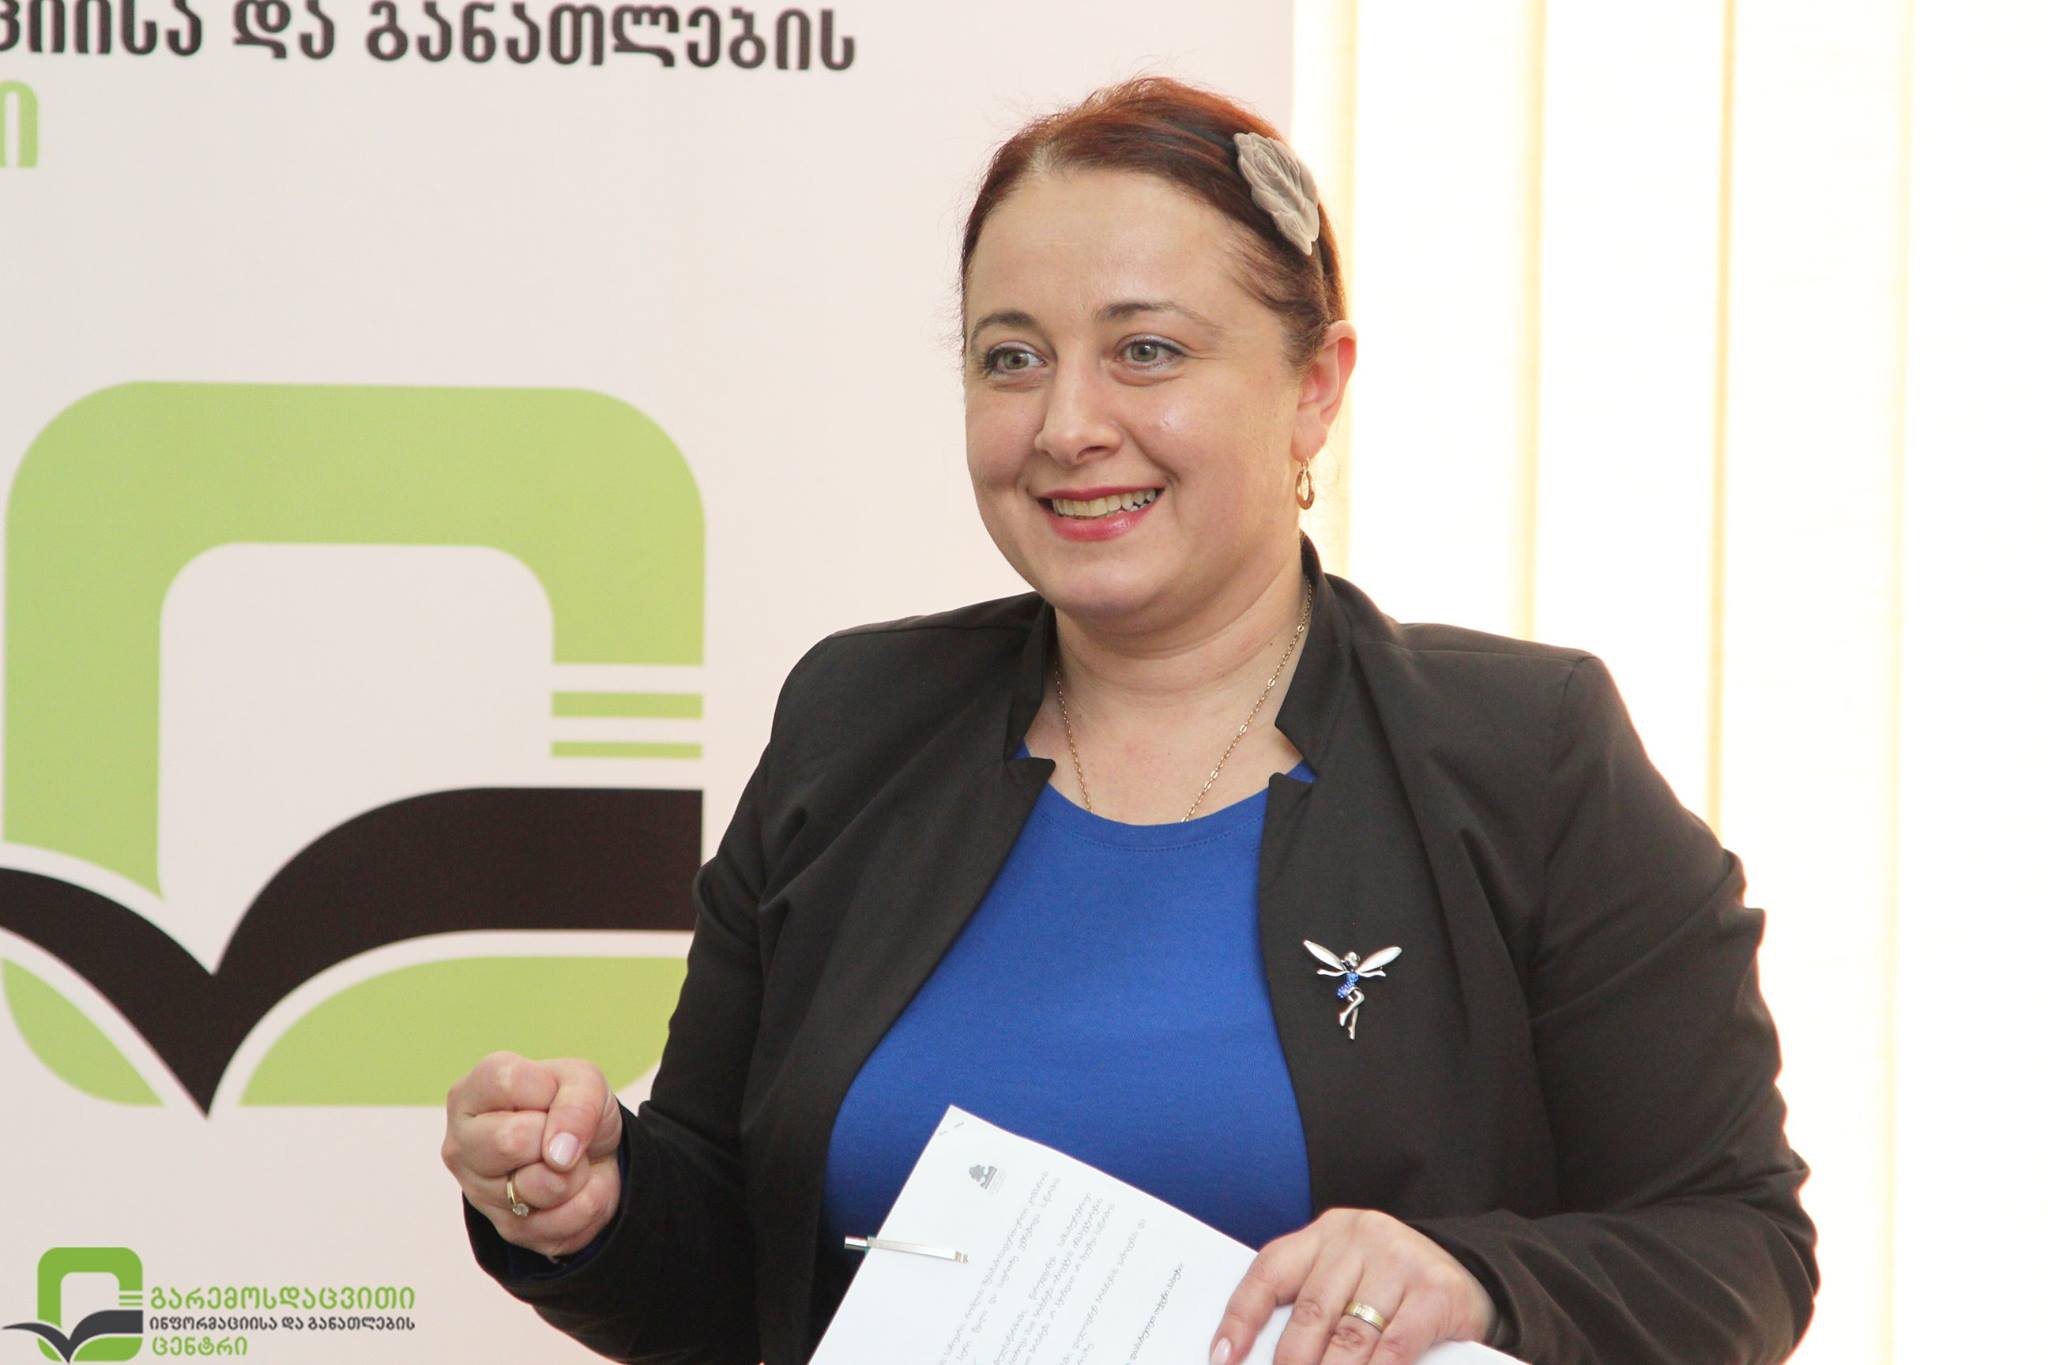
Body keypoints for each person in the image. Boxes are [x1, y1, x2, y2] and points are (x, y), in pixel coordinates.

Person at [441, 76, 1817, 1365]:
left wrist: (1476, 1280)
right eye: (1011, 358)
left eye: (1146, 351)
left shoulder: (1530, 752)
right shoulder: (851, 724)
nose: (1067, 424)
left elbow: (1740, 1247)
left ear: (1316, 387)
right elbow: (735, 1264)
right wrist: (595, 1201)